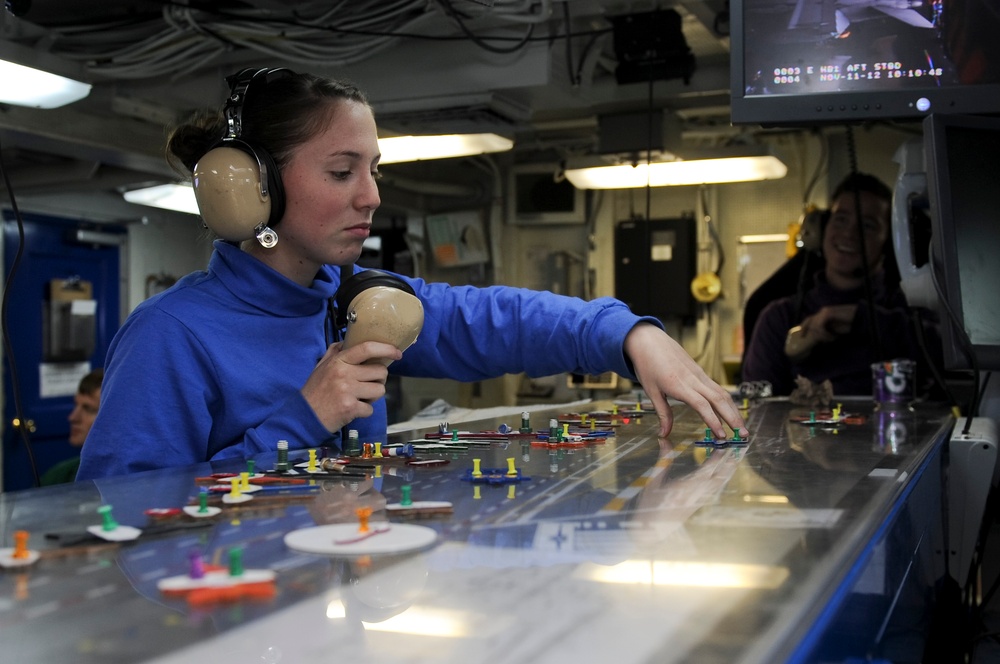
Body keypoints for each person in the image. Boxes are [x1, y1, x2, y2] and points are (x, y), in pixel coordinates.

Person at [77, 68, 745, 480]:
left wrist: (628, 335)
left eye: (374, 171)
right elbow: (123, 524)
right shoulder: (171, 335)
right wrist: (301, 419)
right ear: (253, 187)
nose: (370, 196)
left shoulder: (350, 300)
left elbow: (494, 319)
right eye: (342, 172)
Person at [742, 172, 937, 397]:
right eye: (841, 219)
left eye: (867, 225)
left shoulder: (913, 311)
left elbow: (945, 358)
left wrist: (862, 319)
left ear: (891, 241)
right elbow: (758, 408)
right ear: (822, 229)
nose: (849, 234)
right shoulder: (779, 317)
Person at [41, 368, 103, 485]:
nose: (73, 418)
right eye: (76, 405)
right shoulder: (59, 476)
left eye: (88, 409)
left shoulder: (129, 479)